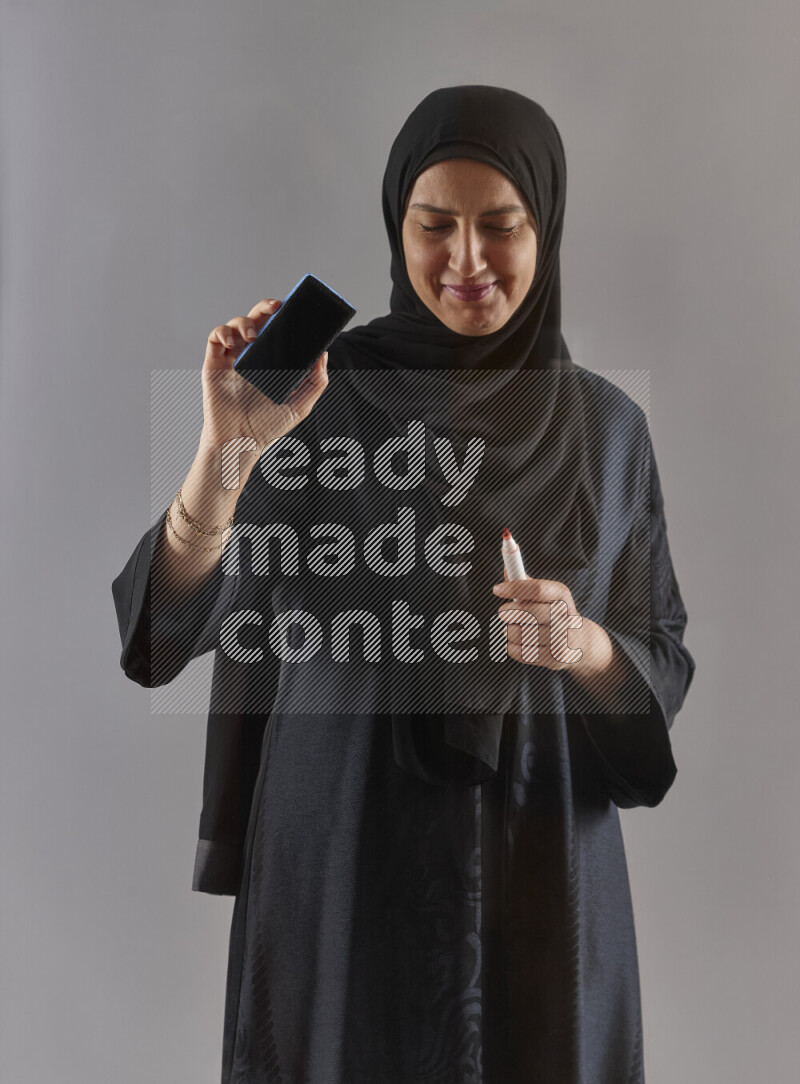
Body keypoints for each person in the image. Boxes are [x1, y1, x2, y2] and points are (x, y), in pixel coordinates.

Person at [112, 85, 695, 1084]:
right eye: (434, 225)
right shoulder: (315, 404)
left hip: (539, 863)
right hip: (344, 855)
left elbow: (657, 656)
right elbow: (166, 631)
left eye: (498, 226)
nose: (463, 261)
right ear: (397, 226)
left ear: (543, 230)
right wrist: (225, 452)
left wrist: (582, 645)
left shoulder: (605, 431)